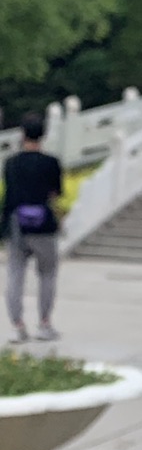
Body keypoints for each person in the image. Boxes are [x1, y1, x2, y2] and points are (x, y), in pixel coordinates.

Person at [3, 113, 63, 344]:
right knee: (47, 274)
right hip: (44, 225)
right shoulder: (51, 163)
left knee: (15, 276)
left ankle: (18, 326)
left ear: (22, 134)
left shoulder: (11, 163)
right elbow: (55, 194)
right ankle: (45, 324)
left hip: (17, 225)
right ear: (43, 135)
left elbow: (9, 196)